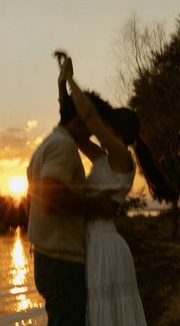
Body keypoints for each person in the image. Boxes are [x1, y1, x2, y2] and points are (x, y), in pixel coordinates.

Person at [57, 54, 149, 325]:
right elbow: (73, 127)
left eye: (107, 126)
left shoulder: (122, 157)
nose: (101, 128)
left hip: (106, 248)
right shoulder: (103, 158)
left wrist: (71, 78)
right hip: (94, 246)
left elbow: (91, 118)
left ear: (116, 130)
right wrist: (61, 85)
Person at [27, 60, 116, 326]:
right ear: (79, 120)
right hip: (61, 261)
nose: (93, 130)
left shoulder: (49, 143)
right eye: (90, 122)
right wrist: (96, 205)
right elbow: (54, 199)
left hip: (50, 257)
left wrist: (62, 86)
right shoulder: (63, 148)